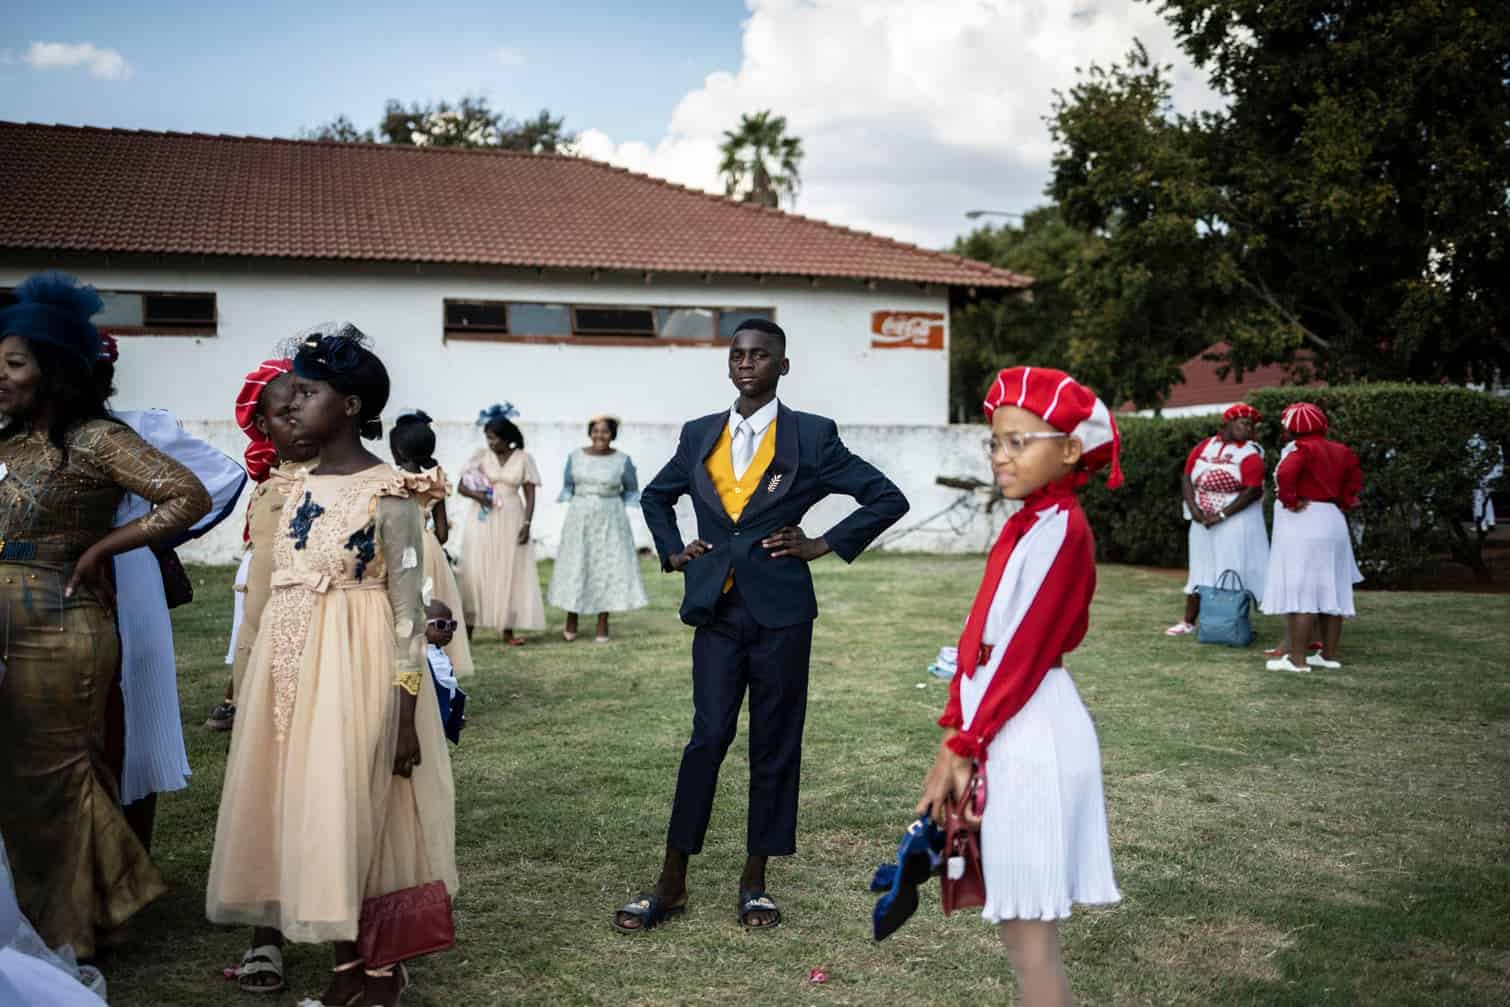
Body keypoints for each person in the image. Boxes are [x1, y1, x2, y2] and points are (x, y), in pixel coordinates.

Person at [614, 318, 908, 934]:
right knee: (707, 739)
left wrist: (822, 543)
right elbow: (656, 496)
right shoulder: (699, 433)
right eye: (738, 355)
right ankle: (671, 882)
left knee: (774, 744)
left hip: (782, 614)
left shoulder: (812, 435)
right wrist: (672, 551)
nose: (746, 363)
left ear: (783, 366)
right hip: (716, 611)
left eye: (760, 355)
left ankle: (755, 882)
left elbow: (886, 498)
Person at [206, 324, 457, 1007]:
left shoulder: (392, 490)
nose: (293, 402)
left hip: (357, 667)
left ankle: (380, 972)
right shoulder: (291, 482)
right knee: (310, 807)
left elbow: (408, 607)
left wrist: (404, 712)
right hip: (288, 668)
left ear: (348, 405)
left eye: (308, 392)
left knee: (360, 809)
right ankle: (346, 967)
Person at [0, 272, 212, 960]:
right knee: (15, 776)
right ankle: (59, 912)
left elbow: (187, 494)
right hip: (5, 622)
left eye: (14, 363)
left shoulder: (96, 439)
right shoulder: (7, 442)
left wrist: (105, 547)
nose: (0, 375)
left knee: (61, 772)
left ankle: (83, 922)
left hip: (62, 623)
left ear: (54, 369)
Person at [917, 366, 1122, 1007]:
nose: (1001, 456)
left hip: (1030, 732)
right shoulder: (1032, 523)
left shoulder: (1061, 528)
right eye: (995, 442)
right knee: (1020, 933)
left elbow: (1023, 654)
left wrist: (964, 744)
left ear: (1070, 449)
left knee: (1031, 941)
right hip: (1005, 725)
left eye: (1018, 442)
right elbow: (981, 641)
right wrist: (956, 728)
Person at [93, 331, 248, 850]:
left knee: (138, 710)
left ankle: (135, 858)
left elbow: (220, 479)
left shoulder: (140, 428)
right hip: (36, 583)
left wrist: (143, 537)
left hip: (129, 579)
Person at [212, 358, 320, 735]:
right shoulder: (275, 491)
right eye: (287, 413)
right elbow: (259, 610)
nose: (302, 420)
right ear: (262, 425)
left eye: (311, 406)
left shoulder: (344, 481)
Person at [1261, 402, 1363, 673]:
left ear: (1291, 428)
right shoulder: (1341, 450)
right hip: (1333, 519)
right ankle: (1328, 656)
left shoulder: (1299, 449)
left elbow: (1285, 475)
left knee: (1302, 590)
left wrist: (1290, 500)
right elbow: (1353, 481)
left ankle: (1298, 660)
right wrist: (1343, 501)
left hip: (1304, 522)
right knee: (1332, 589)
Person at [1166, 403, 1269, 636]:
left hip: (1233, 521)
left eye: (1251, 426)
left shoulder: (1250, 453)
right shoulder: (1205, 446)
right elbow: (1187, 477)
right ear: (1228, 423)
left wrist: (1222, 515)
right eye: (1244, 423)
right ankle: (1188, 621)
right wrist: (1194, 509)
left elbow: (1253, 490)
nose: (1249, 429)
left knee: (1231, 568)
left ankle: (1230, 623)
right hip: (1202, 520)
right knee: (1200, 567)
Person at [548, 414, 648, 642]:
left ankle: (602, 623)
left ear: (612, 434)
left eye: (605, 431)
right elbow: (568, 486)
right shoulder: (575, 457)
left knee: (606, 568)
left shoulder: (623, 460)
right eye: (595, 431)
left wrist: (609, 503)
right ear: (589, 433)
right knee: (576, 564)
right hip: (579, 519)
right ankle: (571, 620)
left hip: (611, 519)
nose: (599, 435)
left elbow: (631, 489)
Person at [391, 410, 474, 677]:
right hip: (429, 549)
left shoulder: (392, 482)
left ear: (398, 451)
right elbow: (443, 533)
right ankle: (437, 673)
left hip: (402, 551)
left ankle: (406, 671)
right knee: (433, 609)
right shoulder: (436, 481)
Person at [457, 403, 546, 645]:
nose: (490, 442)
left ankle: (508, 631)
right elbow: (462, 486)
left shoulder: (524, 459)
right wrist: (480, 497)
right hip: (483, 518)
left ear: (506, 437)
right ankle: (468, 632)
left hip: (512, 517)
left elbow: (530, 495)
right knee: (476, 570)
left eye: (493, 437)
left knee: (510, 570)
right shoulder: (480, 456)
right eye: (487, 437)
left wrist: (527, 524)